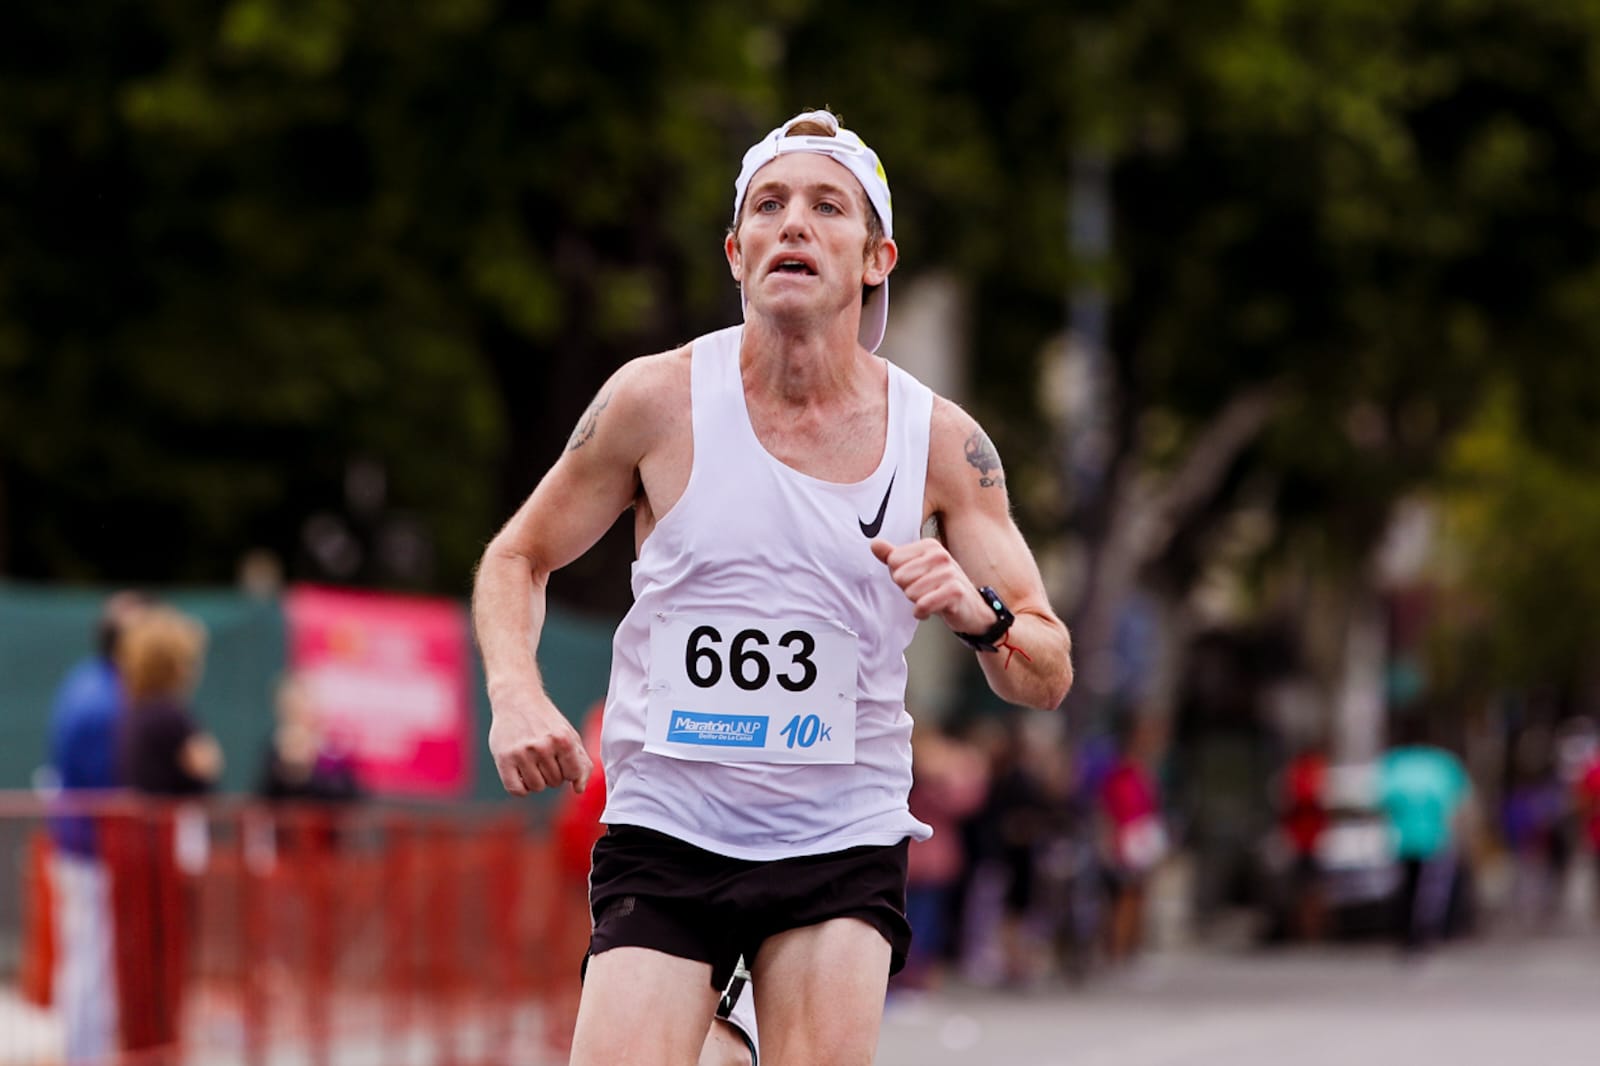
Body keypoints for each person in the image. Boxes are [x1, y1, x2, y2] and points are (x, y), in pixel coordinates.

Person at [473, 107, 1073, 1065]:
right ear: (736, 251)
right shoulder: (656, 399)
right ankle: (722, 1041)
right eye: (769, 205)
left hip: (839, 829)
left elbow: (1047, 669)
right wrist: (514, 692)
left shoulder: (940, 441)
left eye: (828, 207)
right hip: (670, 819)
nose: (794, 222)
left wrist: (979, 615)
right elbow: (517, 556)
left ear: (876, 258)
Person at [106, 604, 221, 1060]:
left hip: (141, 849)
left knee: (144, 955)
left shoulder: (134, 713)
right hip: (165, 851)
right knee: (167, 953)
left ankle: (146, 1043)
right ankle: (162, 1046)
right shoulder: (172, 716)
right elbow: (206, 766)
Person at [44, 590, 149, 1062]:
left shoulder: (87, 684)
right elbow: (107, 784)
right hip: (91, 847)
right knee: (90, 962)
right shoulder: (105, 699)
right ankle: (82, 1055)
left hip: (80, 843)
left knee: (87, 958)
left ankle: (84, 1052)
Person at [1377, 716, 1472, 956]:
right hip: (1433, 839)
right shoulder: (1441, 763)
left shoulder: (1395, 763)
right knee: (1430, 892)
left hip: (1403, 839)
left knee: (1407, 888)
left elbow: (1382, 799)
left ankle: (1408, 934)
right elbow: (1459, 799)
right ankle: (1424, 933)